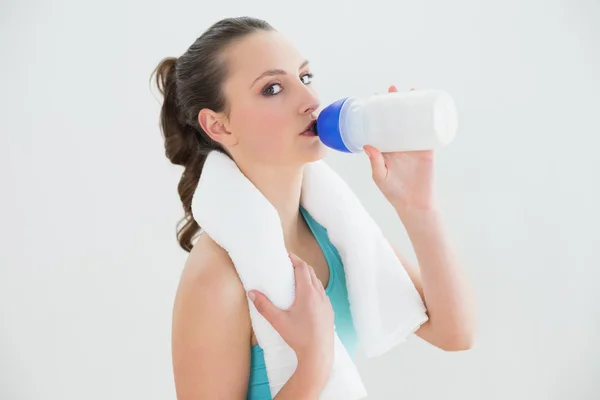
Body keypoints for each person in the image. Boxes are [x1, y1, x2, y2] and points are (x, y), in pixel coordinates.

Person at [151, 16, 476, 400]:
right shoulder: (217, 276)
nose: (310, 101)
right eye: (272, 88)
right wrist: (314, 361)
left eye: (305, 78)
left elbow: (455, 333)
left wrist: (418, 207)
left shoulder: (333, 229)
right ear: (219, 127)